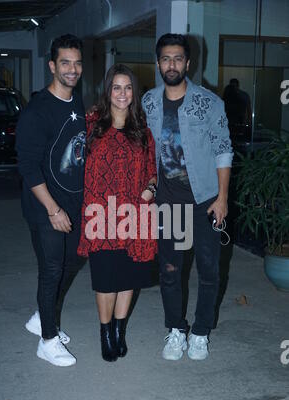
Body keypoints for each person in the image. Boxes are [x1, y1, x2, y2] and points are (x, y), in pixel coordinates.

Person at [142, 33, 233, 361]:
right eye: (166, 58)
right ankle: (176, 330)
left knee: (209, 271)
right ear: (158, 63)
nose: (171, 64)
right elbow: (147, 151)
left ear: (188, 63)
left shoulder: (210, 103)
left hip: (205, 200)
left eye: (178, 58)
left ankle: (201, 332)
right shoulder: (149, 102)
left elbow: (223, 150)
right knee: (170, 270)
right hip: (169, 204)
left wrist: (222, 198)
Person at [77, 64, 157, 362]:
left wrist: (151, 189)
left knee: (128, 278)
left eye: (127, 88)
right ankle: (105, 333)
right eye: (116, 87)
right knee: (105, 279)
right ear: (108, 91)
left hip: (134, 216)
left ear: (133, 92)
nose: (122, 93)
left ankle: (120, 332)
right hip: (100, 216)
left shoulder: (142, 131)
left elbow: (152, 172)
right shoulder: (91, 125)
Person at [16, 34, 86, 367]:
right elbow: (28, 168)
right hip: (46, 208)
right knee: (52, 270)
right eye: (65, 63)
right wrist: (53, 209)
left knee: (72, 263)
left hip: (73, 204)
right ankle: (47, 339)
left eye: (77, 62)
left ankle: (40, 319)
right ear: (52, 66)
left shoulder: (77, 102)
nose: (72, 69)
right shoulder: (37, 111)